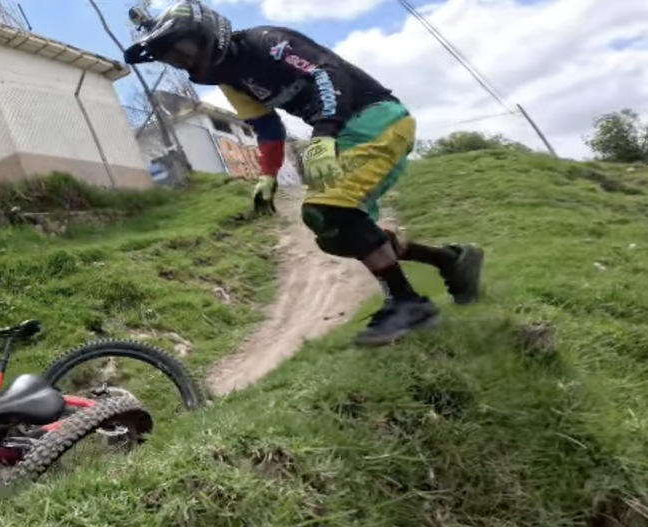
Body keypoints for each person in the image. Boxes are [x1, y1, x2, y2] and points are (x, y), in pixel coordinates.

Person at [124, 1, 484, 347]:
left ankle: (408, 304)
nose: (184, 60)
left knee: (330, 211)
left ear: (205, 32)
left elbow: (326, 72)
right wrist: (269, 175)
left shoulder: (265, 42)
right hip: (345, 132)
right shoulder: (229, 81)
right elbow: (265, 125)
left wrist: (324, 132)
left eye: (183, 49)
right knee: (339, 233)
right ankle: (451, 261)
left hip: (376, 117)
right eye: (173, 57)